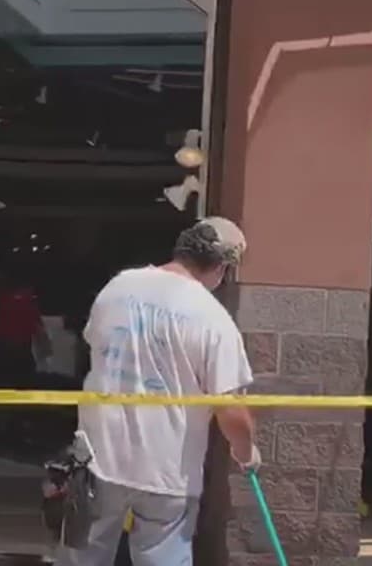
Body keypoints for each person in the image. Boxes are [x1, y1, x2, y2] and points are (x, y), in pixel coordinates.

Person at [57, 217, 259, 566]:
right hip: (168, 471)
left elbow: (95, 346)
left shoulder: (118, 288)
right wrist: (246, 452)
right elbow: (230, 408)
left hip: (99, 458)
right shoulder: (213, 319)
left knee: (81, 558)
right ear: (221, 268)